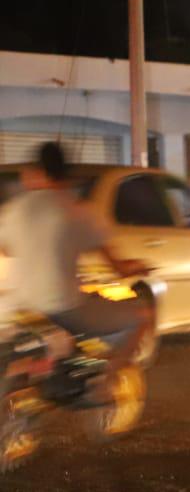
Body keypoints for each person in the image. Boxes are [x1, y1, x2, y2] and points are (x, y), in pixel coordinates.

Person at [0, 141, 150, 372]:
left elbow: (6, 249)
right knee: (143, 315)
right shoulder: (79, 212)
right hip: (63, 309)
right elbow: (118, 268)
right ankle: (106, 382)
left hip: (16, 308)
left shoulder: (13, 210)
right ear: (65, 176)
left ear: (37, 172)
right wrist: (137, 267)